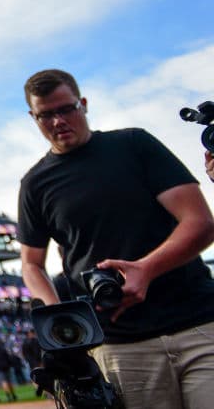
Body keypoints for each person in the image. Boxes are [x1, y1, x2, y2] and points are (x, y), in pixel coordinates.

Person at [18, 68, 214, 409]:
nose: (58, 121)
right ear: (33, 118)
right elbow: (31, 264)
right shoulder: (35, 184)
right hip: (119, 344)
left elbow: (200, 222)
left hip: (198, 323)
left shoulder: (134, 144)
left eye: (67, 109)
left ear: (84, 104)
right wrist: (60, 317)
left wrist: (147, 269)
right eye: (46, 115)